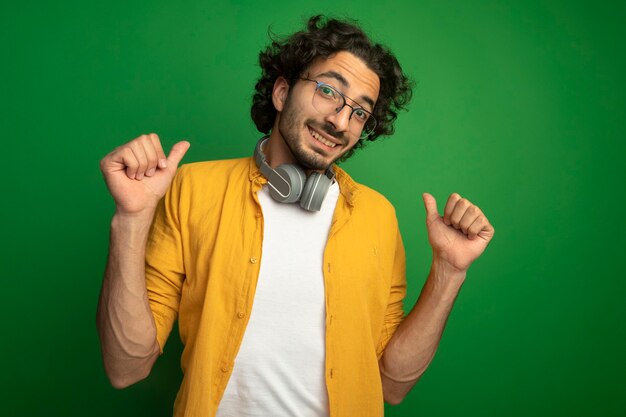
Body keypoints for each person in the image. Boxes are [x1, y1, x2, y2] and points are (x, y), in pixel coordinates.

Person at [97, 15, 494, 417]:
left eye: (360, 113)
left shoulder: (377, 216)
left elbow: (392, 385)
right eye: (327, 91)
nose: (340, 121)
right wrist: (131, 218)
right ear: (283, 91)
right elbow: (125, 367)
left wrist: (449, 271)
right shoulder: (194, 189)